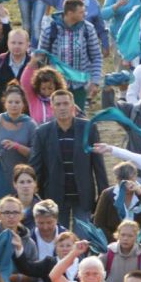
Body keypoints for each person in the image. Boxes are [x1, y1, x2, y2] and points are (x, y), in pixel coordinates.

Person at [28, 89, 109, 228]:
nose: (62, 108)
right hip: (54, 197)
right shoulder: (42, 132)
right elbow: (36, 166)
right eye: (58, 104)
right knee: (58, 236)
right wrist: (36, 195)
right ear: (52, 107)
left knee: (84, 236)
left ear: (73, 106)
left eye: (66, 103)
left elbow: (98, 165)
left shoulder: (88, 128)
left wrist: (103, 196)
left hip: (83, 195)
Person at [38, 0, 104, 112]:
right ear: (69, 13)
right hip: (55, 85)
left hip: (80, 85)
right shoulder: (50, 29)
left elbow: (96, 56)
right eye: (81, 12)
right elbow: (40, 57)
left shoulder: (88, 29)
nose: (85, 14)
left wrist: (95, 81)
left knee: (78, 116)